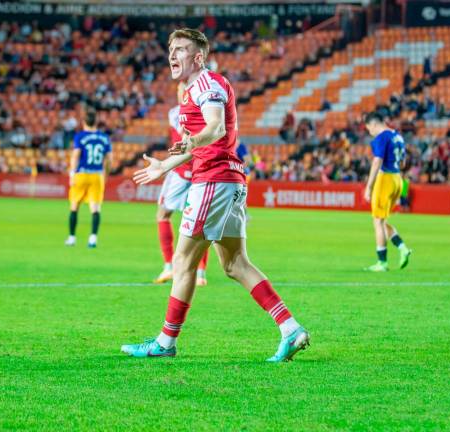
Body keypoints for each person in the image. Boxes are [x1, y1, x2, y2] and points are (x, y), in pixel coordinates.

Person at [122, 28, 309, 362]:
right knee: (236, 264)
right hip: (229, 181)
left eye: (180, 49)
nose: (172, 55)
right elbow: (201, 142)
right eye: (170, 49)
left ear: (198, 57)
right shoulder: (196, 89)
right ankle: (290, 329)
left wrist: (192, 142)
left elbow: (216, 129)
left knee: (182, 262)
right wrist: (164, 166)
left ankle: (165, 344)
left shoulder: (207, 85)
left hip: (213, 182)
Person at [155, 83, 210, 286]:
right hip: (200, 171)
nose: (180, 92)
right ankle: (201, 273)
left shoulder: (175, 113)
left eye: (181, 89)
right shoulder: (206, 113)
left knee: (163, 214)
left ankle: (169, 267)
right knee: (200, 223)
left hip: (180, 172)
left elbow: (180, 135)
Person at [363, 112, 412, 272]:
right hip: (398, 178)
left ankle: (382, 263)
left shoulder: (381, 137)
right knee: (382, 221)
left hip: (385, 179)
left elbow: (377, 161)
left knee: (377, 221)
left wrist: (369, 186)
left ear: (374, 124)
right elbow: (404, 162)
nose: (369, 131)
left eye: (369, 128)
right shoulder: (397, 136)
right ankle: (402, 247)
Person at [65, 109, 112, 248]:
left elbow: (75, 156)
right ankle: (92, 239)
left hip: (81, 174)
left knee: (74, 206)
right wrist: (105, 175)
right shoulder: (104, 137)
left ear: (84, 122)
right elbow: (109, 160)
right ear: (96, 122)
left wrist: (72, 173)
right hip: (97, 175)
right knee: (95, 208)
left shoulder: (80, 136)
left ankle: (72, 238)